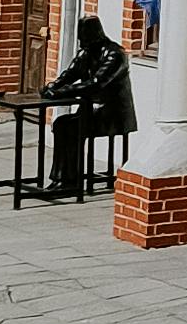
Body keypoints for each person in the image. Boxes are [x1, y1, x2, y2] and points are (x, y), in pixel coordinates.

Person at [37, 17, 137, 203]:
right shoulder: (88, 51)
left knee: (71, 128)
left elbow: (96, 84)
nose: (83, 43)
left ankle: (68, 181)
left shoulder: (115, 54)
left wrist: (60, 93)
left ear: (95, 35)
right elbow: (72, 72)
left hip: (112, 114)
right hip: (92, 110)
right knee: (61, 124)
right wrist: (53, 85)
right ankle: (63, 179)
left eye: (85, 38)